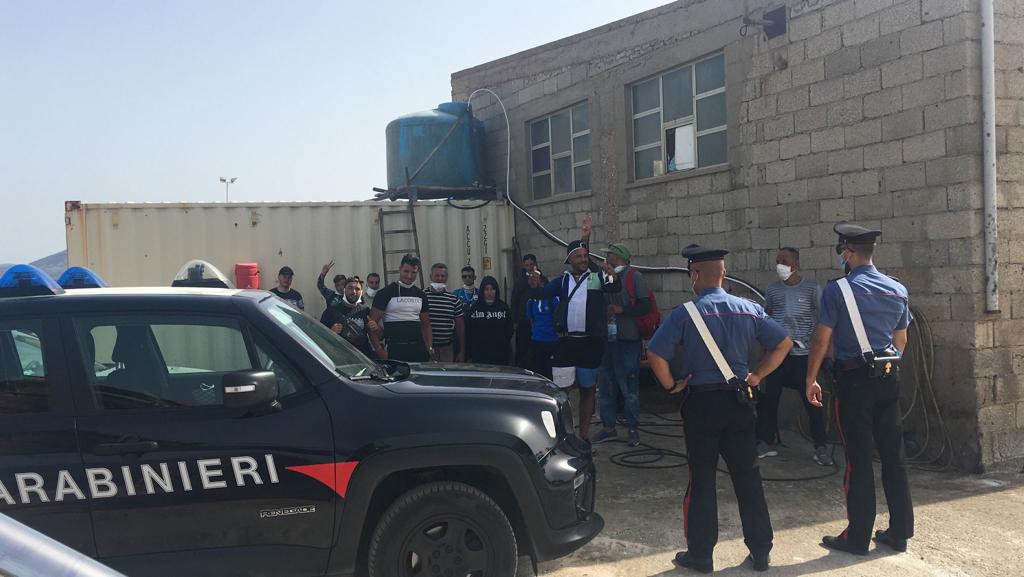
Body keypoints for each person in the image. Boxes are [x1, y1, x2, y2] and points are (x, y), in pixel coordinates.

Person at [647, 244, 792, 574]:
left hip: (702, 404)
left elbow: (655, 354)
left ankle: (701, 555)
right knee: (748, 477)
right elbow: (783, 343)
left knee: (702, 480)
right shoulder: (749, 308)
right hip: (740, 401)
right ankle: (761, 551)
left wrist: (671, 386)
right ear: (724, 274)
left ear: (695, 274)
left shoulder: (685, 314)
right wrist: (757, 376)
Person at [806, 222, 914, 556]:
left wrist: (810, 378)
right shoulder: (897, 289)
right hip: (888, 378)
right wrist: (886, 367)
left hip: (854, 382)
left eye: (843, 252)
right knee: (894, 456)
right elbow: (901, 339)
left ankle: (857, 537)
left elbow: (822, 338)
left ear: (849, 253)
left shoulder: (838, 290)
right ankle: (899, 533)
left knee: (859, 459)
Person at [528, 215, 620, 440]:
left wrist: (611, 275)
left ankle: (584, 436)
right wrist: (534, 285)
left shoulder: (596, 278)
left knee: (588, 389)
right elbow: (541, 294)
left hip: (590, 343)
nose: (583, 259)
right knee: (562, 393)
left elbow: (613, 287)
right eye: (578, 256)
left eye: (585, 256)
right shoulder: (562, 281)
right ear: (569, 259)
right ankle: (562, 435)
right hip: (566, 343)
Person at [755, 247, 833, 466]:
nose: (780, 265)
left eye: (785, 260)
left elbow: (823, 321)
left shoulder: (812, 289)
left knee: (812, 402)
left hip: (803, 355)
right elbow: (767, 319)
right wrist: (763, 354)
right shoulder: (772, 290)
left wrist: (825, 354)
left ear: (796, 264)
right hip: (778, 354)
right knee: (770, 399)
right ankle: (765, 441)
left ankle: (820, 446)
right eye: (778, 260)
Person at [591, 242, 650, 448]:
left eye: (609, 255)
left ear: (619, 257)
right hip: (607, 339)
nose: (606, 258)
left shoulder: (635, 277)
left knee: (629, 387)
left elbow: (645, 306)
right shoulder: (604, 276)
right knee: (605, 385)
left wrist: (622, 310)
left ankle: (633, 429)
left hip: (627, 340)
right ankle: (608, 427)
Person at [368, 255, 433, 362]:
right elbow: (371, 324)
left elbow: (426, 325)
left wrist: (429, 348)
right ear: (400, 269)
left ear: (418, 272)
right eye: (406, 271)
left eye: (413, 272)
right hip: (394, 350)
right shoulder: (385, 293)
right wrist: (380, 351)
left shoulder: (421, 294)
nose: (409, 276)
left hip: (419, 350)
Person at [320, 277, 379, 358]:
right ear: (344, 290)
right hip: (341, 359)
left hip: (363, 358)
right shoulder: (331, 311)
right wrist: (331, 332)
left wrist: (375, 328)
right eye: (350, 288)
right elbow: (320, 336)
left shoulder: (365, 310)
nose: (354, 292)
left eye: (357, 289)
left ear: (361, 292)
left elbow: (378, 335)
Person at [465, 276, 514, 365]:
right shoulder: (475, 308)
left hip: (500, 352)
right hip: (480, 353)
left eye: (492, 289)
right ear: (482, 291)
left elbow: (509, 327)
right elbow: (469, 329)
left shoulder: (503, 307)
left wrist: (503, 341)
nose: (489, 292)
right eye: (486, 289)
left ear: (496, 290)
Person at [424, 263, 466, 363]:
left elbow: (460, 327)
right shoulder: (422, 296)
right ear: (431, 276)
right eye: (437, 276)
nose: (439, 279)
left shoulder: (453, 299)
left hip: (447, 349)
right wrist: (428, 348)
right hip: (427, 348)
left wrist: (462, 351)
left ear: (446, 277)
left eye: (442, 276)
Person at [512, 254, 544, 368]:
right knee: (523, 350)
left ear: (536, 264)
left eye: (531, 264)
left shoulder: (543, 279)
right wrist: (515, 321)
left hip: (539, 322)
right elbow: (514, 301)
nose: (529, 267)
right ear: (523, 266)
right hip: (524, 321)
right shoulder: (519, 282)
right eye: (527, 265)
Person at [526, 288, 558, 380]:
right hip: (536, 341)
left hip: (551, 341)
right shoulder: (530, 302)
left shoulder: (553, 300)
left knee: (551, 373)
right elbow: (531, 321)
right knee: (537, 373)